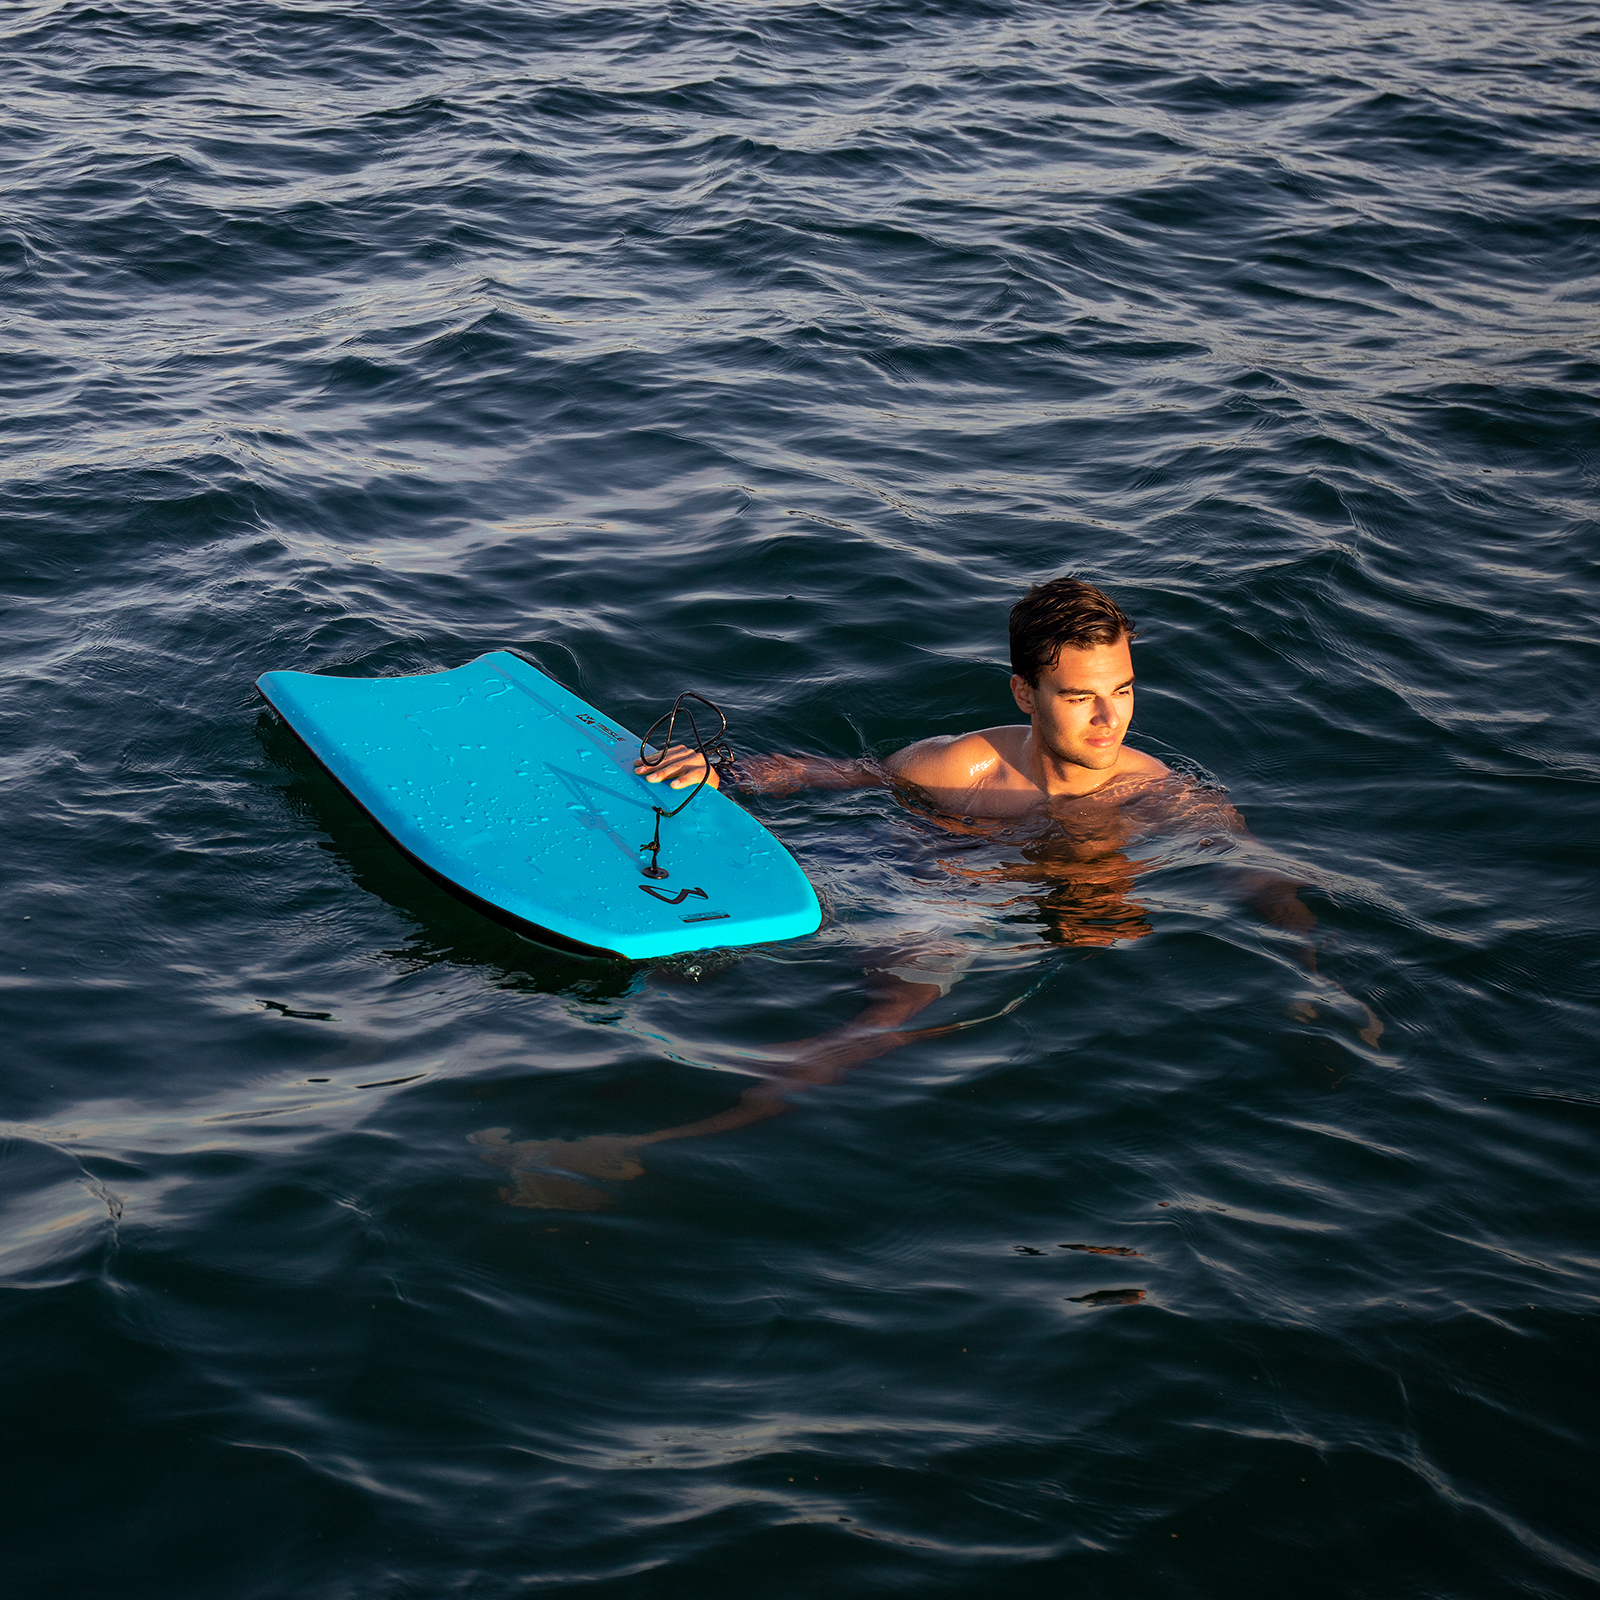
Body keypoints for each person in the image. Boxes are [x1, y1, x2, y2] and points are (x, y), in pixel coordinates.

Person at [473, 577, 1379, 1209]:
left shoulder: (1163, 797)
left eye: (1124, 691)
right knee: (696, 962)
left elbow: (1267, 880)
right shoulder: (956, 766)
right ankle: (571, 1113)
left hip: (981, 918)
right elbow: (830, 775)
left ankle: (625, 1148)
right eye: (1080, 697)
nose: (1110, 720)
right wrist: (719, 771)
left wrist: (1317, 973)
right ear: (1025, 692)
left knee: (870, 1034)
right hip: (896, 883)